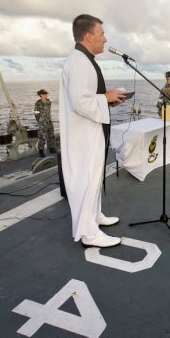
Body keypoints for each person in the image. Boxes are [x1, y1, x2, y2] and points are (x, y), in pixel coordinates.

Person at [59, 14, 127, 248]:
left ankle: (94, 216)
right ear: (88, 36)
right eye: (102, 34)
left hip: (91, 131)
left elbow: (89, 97)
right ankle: (88, 233)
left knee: (94, 177)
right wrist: (105, 98)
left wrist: (109, 100)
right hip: (84, 135)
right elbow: (80, 102)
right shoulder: (79, 62)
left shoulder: (84, 60)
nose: (105, 39)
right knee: (87, 178)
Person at [34, 89, 57, 157]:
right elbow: (36, 112)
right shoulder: (38, 103)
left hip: (49, 120)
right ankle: (41, 151)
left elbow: (48, 111)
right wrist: (39, 120)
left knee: (51, 134)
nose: (46, 95)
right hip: (42, 122)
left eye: (46, 94)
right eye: (44, 94)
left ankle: (52, 148)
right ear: (41, 95)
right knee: (42, 136)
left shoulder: (49, 102)